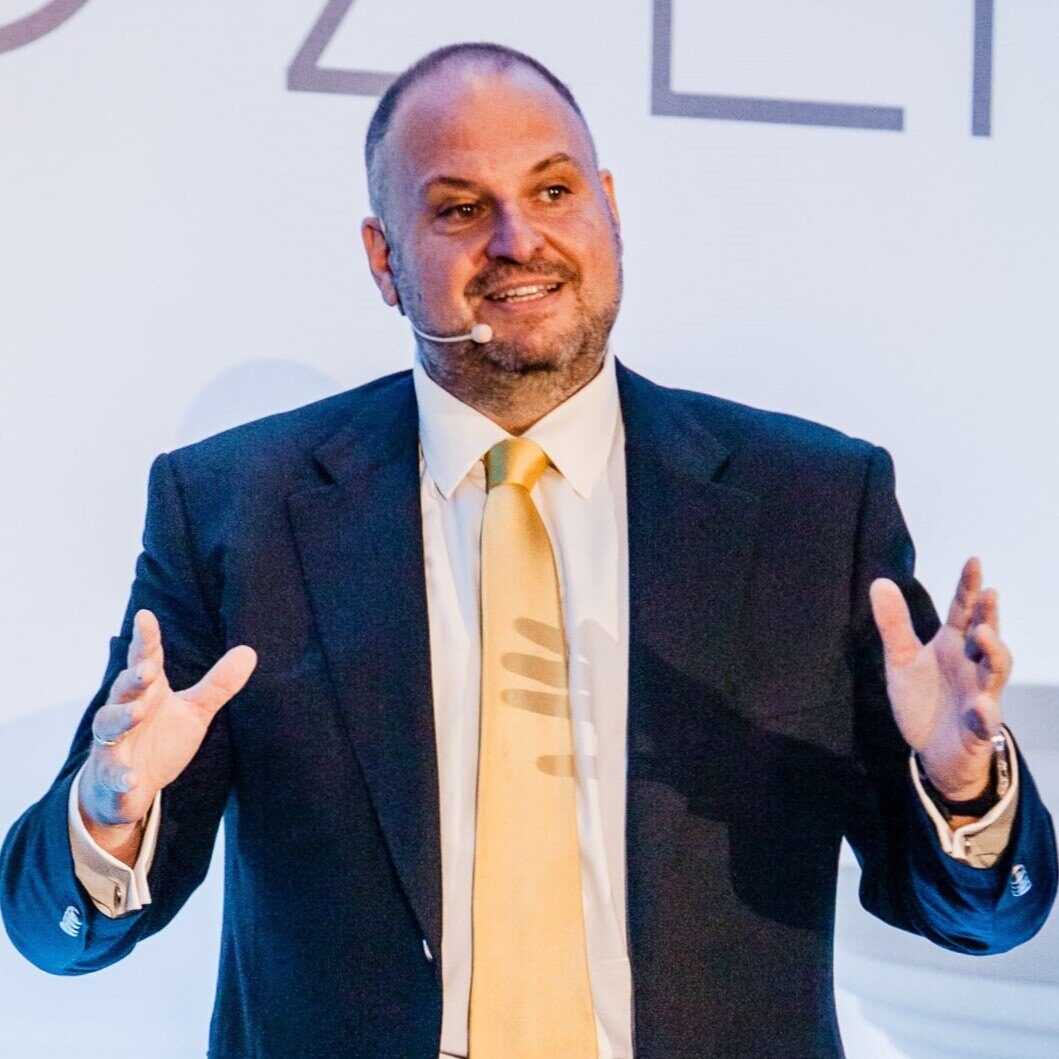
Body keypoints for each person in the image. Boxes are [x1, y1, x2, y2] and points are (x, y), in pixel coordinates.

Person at [2, 41, 1056, 1059]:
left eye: (554, 191)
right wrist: (108, 813)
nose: (518, 239)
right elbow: (58, 932)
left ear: (610, 209)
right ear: (383, 259)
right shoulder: (237, 509)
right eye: (461, 209)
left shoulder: (809, 507)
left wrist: (965, 788)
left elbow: (979, 915)